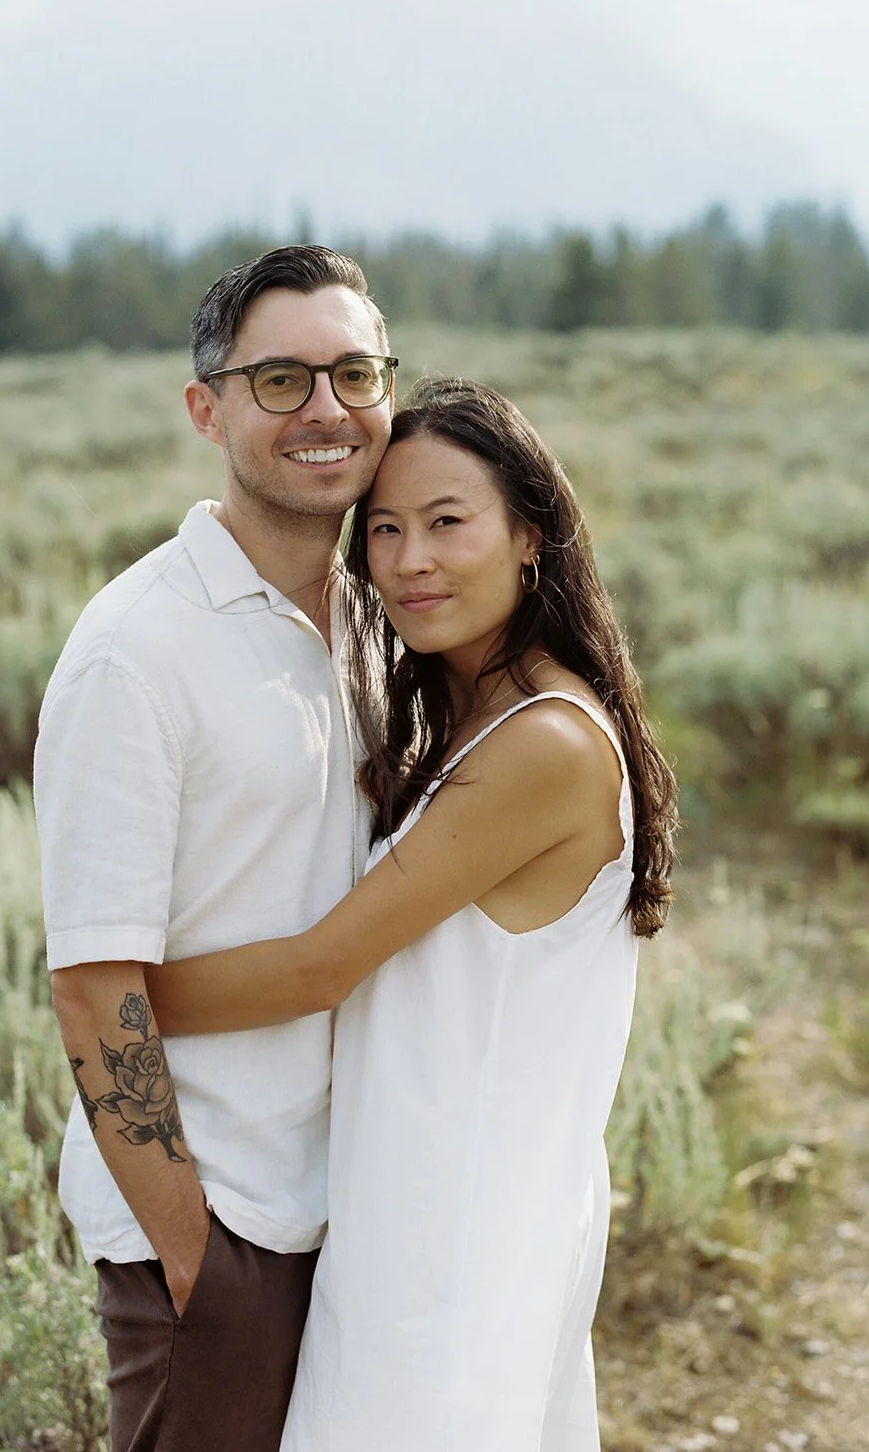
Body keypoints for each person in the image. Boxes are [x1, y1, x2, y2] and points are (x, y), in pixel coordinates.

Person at [144, 376, 679, 1451]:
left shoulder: (547, 744)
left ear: (530, 536)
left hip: (457, 1238)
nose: (410, 560)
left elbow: (317, 969)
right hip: (414, 1217)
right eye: (383, 529)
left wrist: (103, 996)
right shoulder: (476, 715)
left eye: (447, 522)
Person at [33, 244, 396, 1452]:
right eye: (281, 380)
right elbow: (92, 984)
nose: (327, 410)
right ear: (209, 408)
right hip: (220, 1229)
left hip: (354, 1213)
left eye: (353, 372)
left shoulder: (374, 623)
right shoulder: (136, 652)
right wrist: (200, 1260)